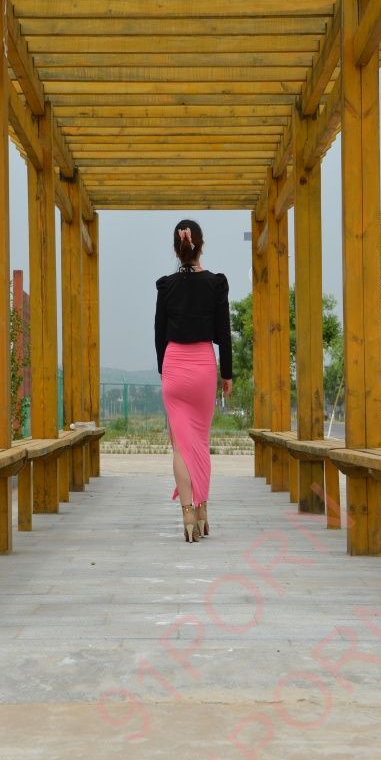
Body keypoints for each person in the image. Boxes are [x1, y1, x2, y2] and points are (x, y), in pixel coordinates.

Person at [154, 219, 233, 543]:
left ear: (177, 249)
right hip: (202, 366)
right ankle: (202, 511)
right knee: (199, 442)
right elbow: (223, 333)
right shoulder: (216, 283)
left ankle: (187, 513)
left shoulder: (166, 285)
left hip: (174, 365)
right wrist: (227, 374)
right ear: (200, 246)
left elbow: (159, 335)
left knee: (180, 446)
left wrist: (165, 371)